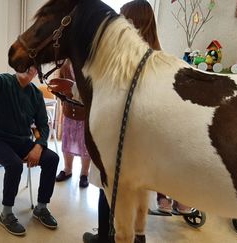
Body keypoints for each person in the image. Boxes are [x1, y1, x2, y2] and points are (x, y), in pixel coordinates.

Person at [83, 1, 163, 242]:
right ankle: (137, 237)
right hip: (146, 150)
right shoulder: (161, 61)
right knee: (138, 195)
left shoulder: (121, 63)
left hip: (116, 144)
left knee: (109, 193)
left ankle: (106, 238)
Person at [0, 40, 59, 236]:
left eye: (32, 67)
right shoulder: (4, 82)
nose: (28, 69)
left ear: (35, 72)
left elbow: (43, 125)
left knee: (52, 159)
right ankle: (6, 213)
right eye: (24, 65)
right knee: (15, 165)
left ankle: (41, 207)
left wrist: (39, 146)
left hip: (21, 140)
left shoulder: (35, 94)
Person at [54, 59, 91, 188]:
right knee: (68, 142)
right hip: (69, 111)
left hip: (85, 113)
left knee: (85, 144)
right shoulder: (64, 66)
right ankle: (67, 169)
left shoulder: (89, 64)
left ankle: (84, 173)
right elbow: (59, 84)